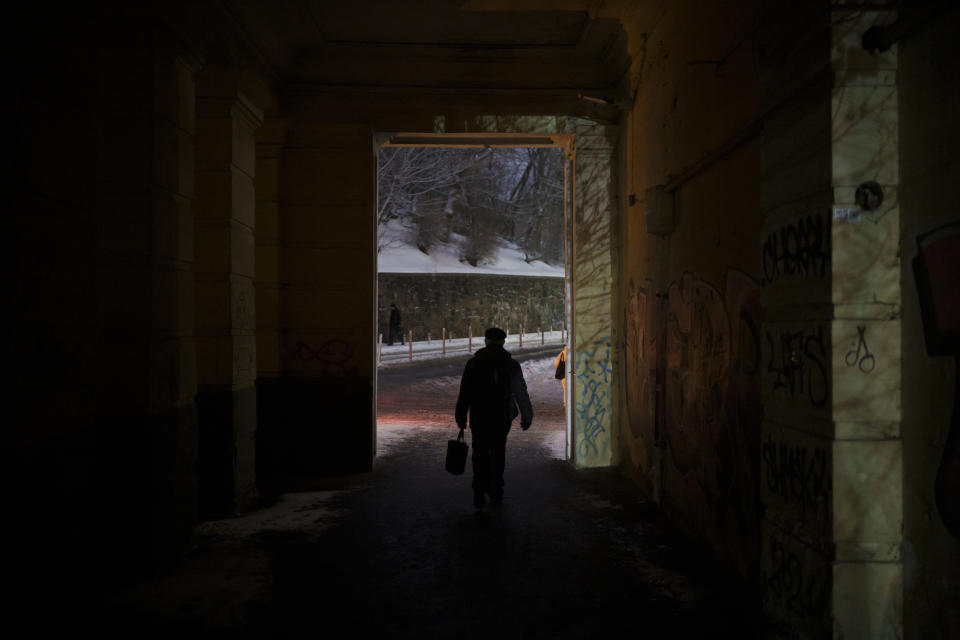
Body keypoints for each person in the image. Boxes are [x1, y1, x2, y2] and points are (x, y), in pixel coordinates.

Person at [455, 327, 533, 509]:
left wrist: (461, 415)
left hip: (480, 415)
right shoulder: (510, 364)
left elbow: (465, 392)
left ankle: (479, 491)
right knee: (498, 453)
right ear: (503, 342)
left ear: (486, 342)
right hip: (502, 416)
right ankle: (496, 489)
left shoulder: (474, 364)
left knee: (479, 453)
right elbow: (520, 392)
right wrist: (527, 415)